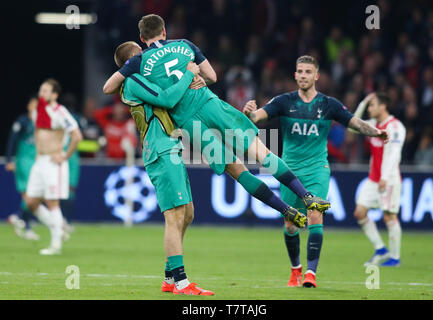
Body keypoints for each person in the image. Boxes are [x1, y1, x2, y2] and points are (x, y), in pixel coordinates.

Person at [103, 14, 331, 234]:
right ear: (164, 31)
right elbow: (212, 75)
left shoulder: (139, 63)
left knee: (237, 170)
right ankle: (307, 197)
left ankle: (286, 211)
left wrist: (129, 68)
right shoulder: (184, 44)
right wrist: (198, 78)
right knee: (262, 153)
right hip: (210, 104)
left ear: (142, 39)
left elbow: (108, 87)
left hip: (190, 123)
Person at [242, 56, 389, 288]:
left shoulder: (329, 105)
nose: (303, 75)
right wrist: (249, 111)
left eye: (308, 72)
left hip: (317, 170)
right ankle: (295, 269)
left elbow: (355, 123)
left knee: (315, 214)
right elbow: (256, 118)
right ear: (295, 75)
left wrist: (376, 132)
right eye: (299, 71)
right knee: (291, 225)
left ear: (316, 76)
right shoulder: (283, 101)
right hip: (289, 172)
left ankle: (310, 273)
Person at [114, 41, 213, 295]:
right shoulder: (134, 81)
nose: (150, 56)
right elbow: (168, 98)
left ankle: (170, 278)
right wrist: (190, 73)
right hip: (160, 148)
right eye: (143, 52)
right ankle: (180, 282)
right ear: (135, 58)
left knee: (188, 213)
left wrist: (195, 81)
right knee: (174, 215)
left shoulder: (145, 79)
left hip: (171, 145)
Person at [25, 79, 83, 255]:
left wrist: (65, 155)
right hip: (39, 161)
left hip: (53, 162)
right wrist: (37, 151)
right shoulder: (39, 111)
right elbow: (37, 131)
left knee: (52, 202)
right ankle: (59, 226)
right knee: (31, 202)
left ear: (54, 95)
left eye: (45, 91)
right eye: (41, 90)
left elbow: (77, 135)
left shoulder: (60, 112)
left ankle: (56, 244)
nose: (41, 93)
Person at [351, 92, 405, 267]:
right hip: (373, 179)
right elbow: (352, 126)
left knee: (389, 216)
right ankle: (381, 249)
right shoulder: (373, 125)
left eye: (372, 105)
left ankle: (395, 258)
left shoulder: (395, 127)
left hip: (388, 179)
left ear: (383, 106)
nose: (369, 109)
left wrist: (385, 177)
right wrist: (363, 101)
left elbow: (394, 154)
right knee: (360, 212)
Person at [5, 97, 40, 240]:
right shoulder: (23, 121)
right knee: (29, 193)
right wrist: (9, 159)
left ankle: (18, 218)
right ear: (28, 106)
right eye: (33, 104)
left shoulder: (42, 122)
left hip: (36, 161)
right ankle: (26, 226)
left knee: (35, 196)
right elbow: (12, 140)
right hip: (24, 161)